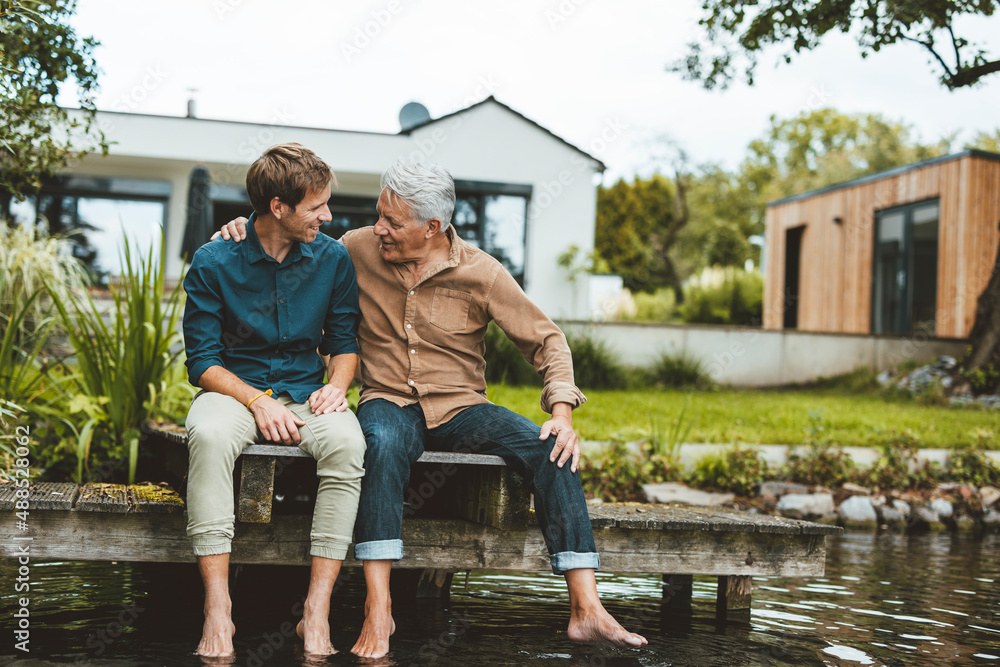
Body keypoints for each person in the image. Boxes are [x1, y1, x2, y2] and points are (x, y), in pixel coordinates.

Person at [219, 159, 647, 658]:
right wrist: (237, 229)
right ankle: (378, 610)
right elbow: (283, 237)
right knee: (377, 445)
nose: (379, 228)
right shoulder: (355, 249)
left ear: (433, 227)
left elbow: (547, 341)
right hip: (389, 401)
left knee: (551, 448)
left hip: (463, 408)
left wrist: (562, 412)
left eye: (392, 222)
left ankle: (587, 609)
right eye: (379, 215)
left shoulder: (482, 272)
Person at [183, 143, 366, 657]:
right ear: (278, 208)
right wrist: (258, 400)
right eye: (317, 206)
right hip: (235, 392)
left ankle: (316, 611)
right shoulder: (215, 260)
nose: (327, 216)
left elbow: (345, 343)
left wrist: (337, 385)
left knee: (348, 445)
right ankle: (218, 608)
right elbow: (202, 361)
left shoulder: (332, 258)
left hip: (309, 393)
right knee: (209, 434)